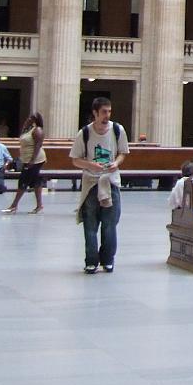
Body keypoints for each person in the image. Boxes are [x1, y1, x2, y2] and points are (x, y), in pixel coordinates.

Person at [69, 97, 130, 274]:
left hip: (111, 182)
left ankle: (108, 259)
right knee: (90, 224)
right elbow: (75, 160)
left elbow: (122, 153)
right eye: (103, 112)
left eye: (109, 112)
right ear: (95, 113)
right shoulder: (85, 133)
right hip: (91, 183)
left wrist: (116, 163)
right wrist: (90, 165)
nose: (107, 115)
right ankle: (91, 260)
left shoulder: (117, 130)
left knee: (110, 224)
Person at [3, 113, 46, 214]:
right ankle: (39, 205)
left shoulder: (37, 130)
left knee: (23, 180)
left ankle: (14, 205)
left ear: (35, 120)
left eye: (31, 118)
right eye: (29, 117)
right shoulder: (28, 129)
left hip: (36, 160)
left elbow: (38, 145)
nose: (28, 119)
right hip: (26, 159)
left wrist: (32, 161)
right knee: (35, 181)